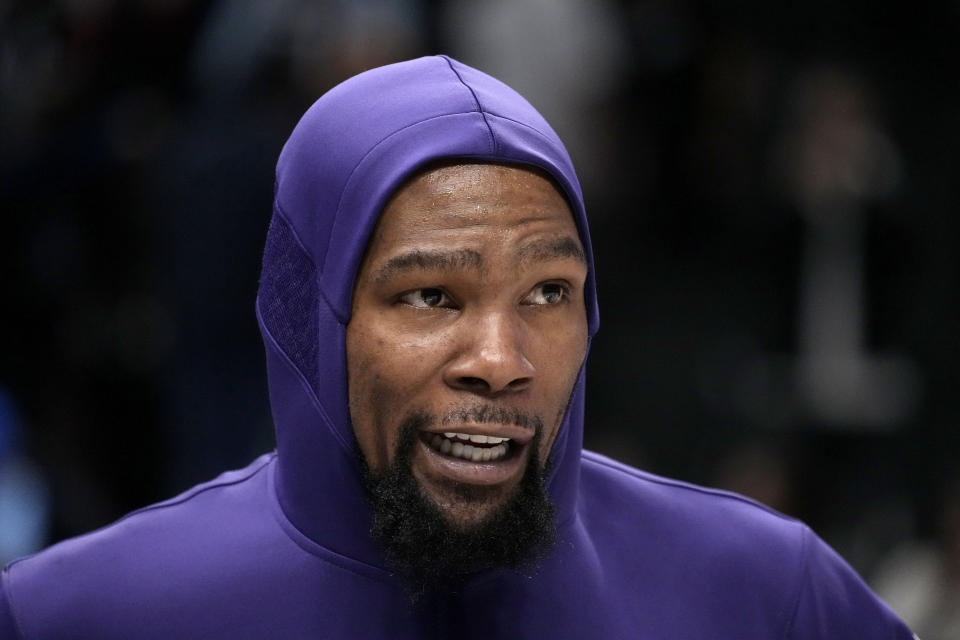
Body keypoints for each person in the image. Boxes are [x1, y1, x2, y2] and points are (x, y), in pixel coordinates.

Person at [0, 55, 914, 639]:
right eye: (432, 295)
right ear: (307, 319)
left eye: (547, 293)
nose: (500, 356)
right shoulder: (79, 617)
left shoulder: (764, 598)